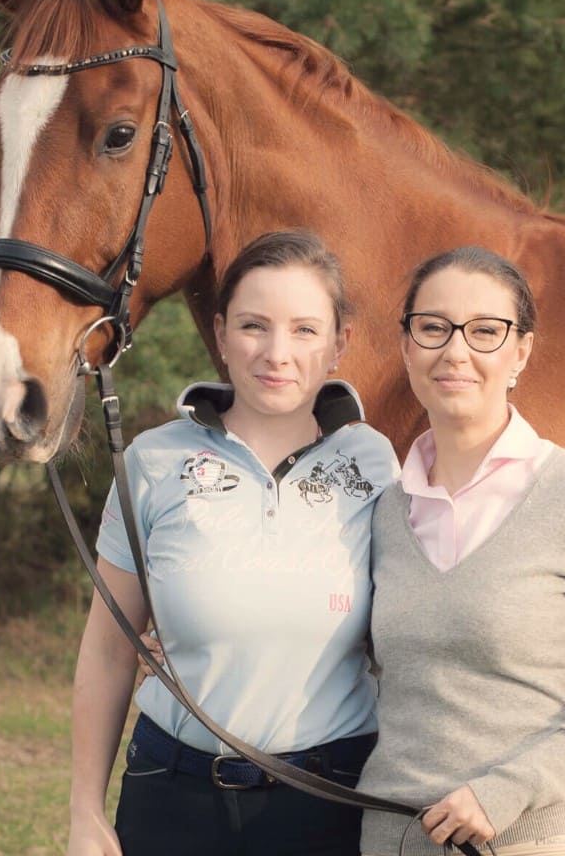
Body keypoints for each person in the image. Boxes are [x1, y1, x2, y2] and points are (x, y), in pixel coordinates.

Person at [68, 230, 401, 856]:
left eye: (305, 330)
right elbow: (109, 651)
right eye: (254, 326)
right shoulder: (152, 461)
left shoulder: (376, 463)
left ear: (339, 344)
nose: (277, 353)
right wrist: (84, 810)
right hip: (172, 795)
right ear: (220, 335)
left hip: (330, 798)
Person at [358, 246, 565, 856]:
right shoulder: (383, 511)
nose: (456, 351)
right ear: (406, 347)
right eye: (433, 327)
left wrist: (504, 792)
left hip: (533, 836)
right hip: (392, 838)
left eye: (485, 331)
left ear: (520, 352)